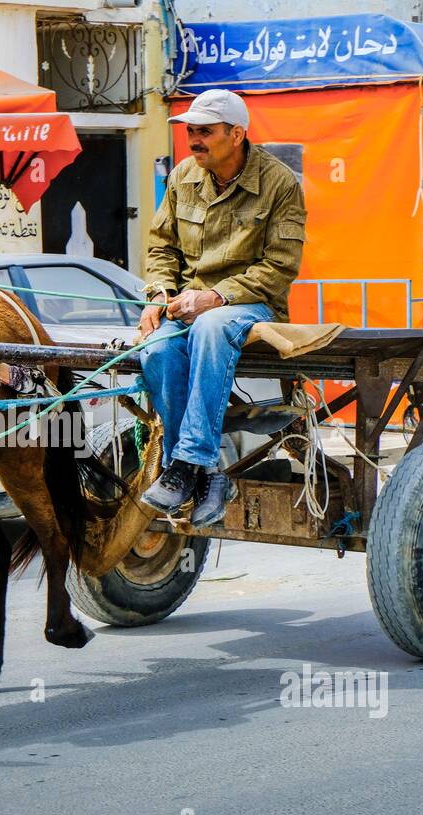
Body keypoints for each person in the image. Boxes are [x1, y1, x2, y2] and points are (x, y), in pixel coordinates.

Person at [137, 88, 306, 526]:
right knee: (155, 350)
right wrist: (157, 295)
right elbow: (161, 248)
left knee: (212, 327)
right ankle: (204, 472)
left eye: (205, 132)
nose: (194, 139)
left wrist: (213, 297)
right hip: (186, 304)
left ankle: (186, 461)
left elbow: (280, 268)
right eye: (191, 131)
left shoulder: (280, 183)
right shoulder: (181, 178)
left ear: (236, 134)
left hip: (252, 305)